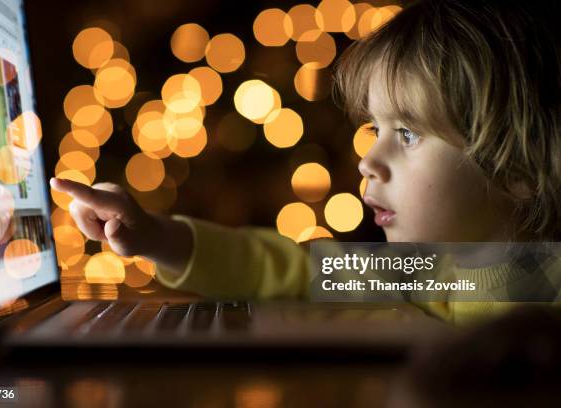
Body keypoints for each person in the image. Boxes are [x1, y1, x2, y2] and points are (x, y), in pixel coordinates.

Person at [50, 0, 561, 325]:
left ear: (517, 169)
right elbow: (293, 270)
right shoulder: (432, 271)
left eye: (407, 134)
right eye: (373, 130)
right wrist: (155, 237)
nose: (368, 162)